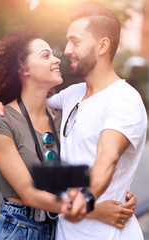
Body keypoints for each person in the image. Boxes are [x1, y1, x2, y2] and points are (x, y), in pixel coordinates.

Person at [0, 26, 136, 240]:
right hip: (19, 228)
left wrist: (119, 192)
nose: (56, 59)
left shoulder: (63, 114)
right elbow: (28, 192)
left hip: (58, 227)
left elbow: (80, 168)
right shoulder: (0, 119)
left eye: (53, 54)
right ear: (23, 69)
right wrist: (94, 209)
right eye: (45, 55)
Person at [46, 3, 148, 240]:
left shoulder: (124, 100)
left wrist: (87, 197)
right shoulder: (72, 94)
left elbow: (107, 155)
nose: (68, 49)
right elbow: (30, 100)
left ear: (102, 46)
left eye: (76, 41)